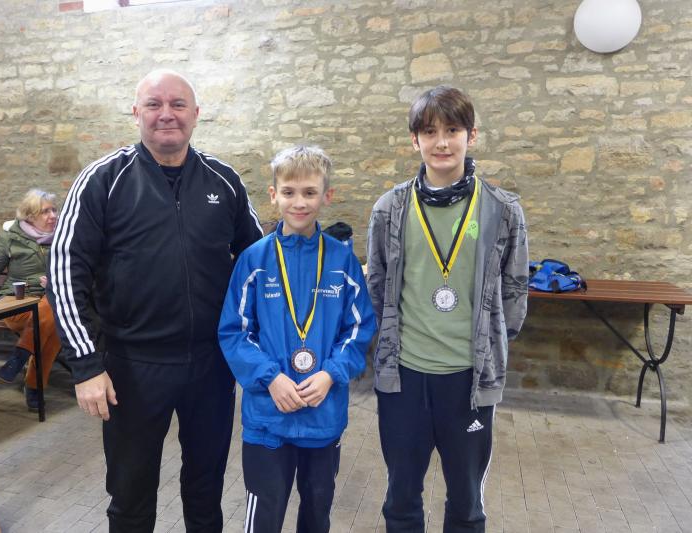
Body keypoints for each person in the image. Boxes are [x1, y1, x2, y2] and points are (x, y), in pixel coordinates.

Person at [48, 69, 263, 533]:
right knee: (130, 495)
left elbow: (259, 264)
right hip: (132, 367)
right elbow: (65, 270)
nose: (167, 114)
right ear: (136, 113)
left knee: (205, 489)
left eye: (178, 104)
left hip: (211, 364)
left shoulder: (224, 180)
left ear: (196, 114)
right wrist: (85, 364)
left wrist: (262, 348)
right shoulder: (102, 180)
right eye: (154, 104)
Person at [366, 86, 529, 532]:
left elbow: (515, 291)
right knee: (401, 499)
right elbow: (377, 286)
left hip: (468, 380)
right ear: (414, 140)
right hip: (404, 378)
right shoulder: (389, 209)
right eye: (429, 131)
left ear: (471, 136)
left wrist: (490, 345)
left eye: (453, 130)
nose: (441, 142)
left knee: (467, 503)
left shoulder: (502, 209)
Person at [219, 145, 376, 532]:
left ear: (327, 196)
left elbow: (358, 329)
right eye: (289, 192)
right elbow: (235, 332)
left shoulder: (342, 260)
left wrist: (331, 374)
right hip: (268, 417)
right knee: (264, 516)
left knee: (317, 513)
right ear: (274, 195)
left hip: (323, 415)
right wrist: (270, 377)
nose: (299, 202)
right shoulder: (254, 260)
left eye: (310, 192)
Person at [0, 189, 60, 411]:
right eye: (45, 211)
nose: (53, 216)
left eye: (54, 210)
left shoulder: (65, 237)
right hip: (18, 302)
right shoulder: (10, 237)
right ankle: (33, 385)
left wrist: (57, 282)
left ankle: (19, 359)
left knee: (54, 311)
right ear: (30, 216)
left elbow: (79, 268)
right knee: (55, 320)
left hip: (52, 300)